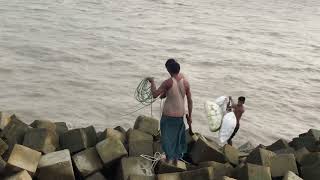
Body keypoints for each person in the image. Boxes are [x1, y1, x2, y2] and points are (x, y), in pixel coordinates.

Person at [147, 58, 193, 165]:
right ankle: (176, 161)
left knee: (167, 138)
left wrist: (152, 82)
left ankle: (168, 159)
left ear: (168, 70)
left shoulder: (167, 82)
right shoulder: (186, 83)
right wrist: (189, 116)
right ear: (178, 69)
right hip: (180, 116)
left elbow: (155, 94)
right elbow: (190, 101)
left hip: (168, 115)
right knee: (177, 138)